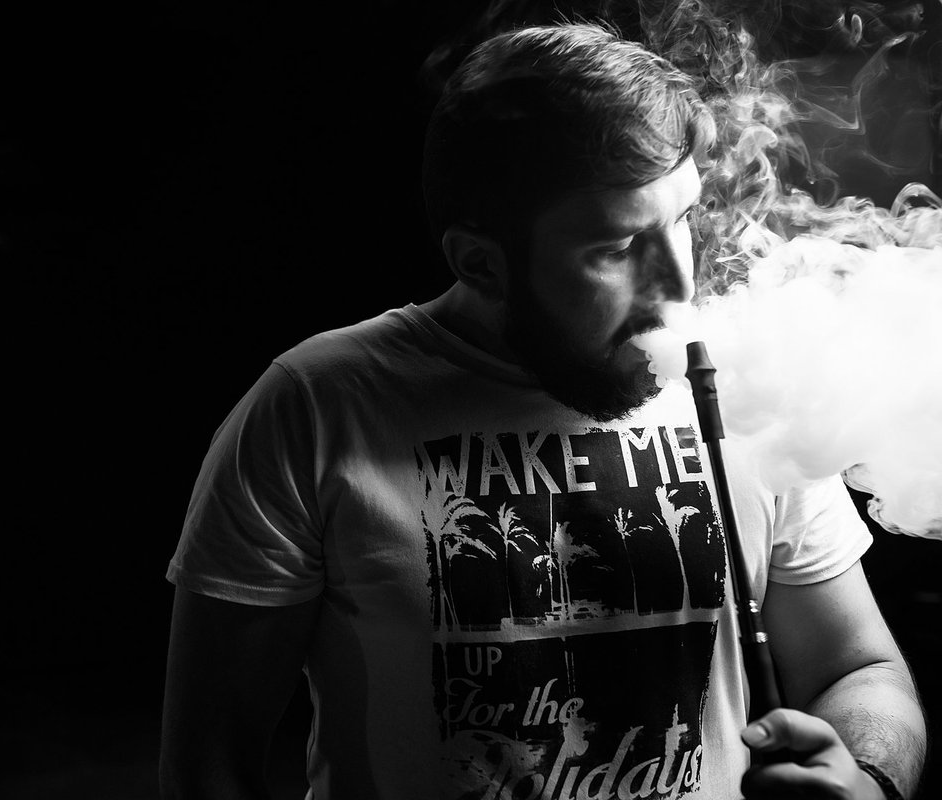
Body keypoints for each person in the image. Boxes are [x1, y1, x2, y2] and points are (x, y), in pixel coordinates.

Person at [160, 21, 927, 799]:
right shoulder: (315, 410)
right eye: (616, 248)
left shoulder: (749, 386)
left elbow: (859, 669)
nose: (676, 288)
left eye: (683, 220)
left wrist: (866, 779)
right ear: (481, 263)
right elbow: (208, 765)